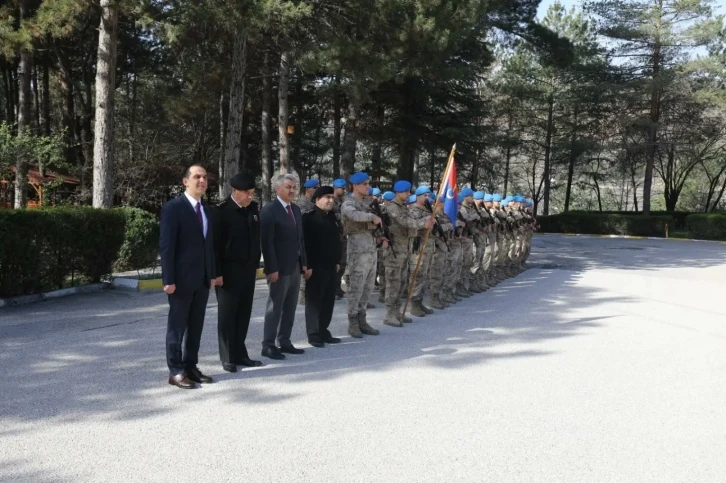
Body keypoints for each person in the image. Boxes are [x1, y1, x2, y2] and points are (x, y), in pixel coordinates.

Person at [159, 164, 216, 389]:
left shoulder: (207, 210)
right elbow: (166, 246)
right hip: (180, 280)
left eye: (204, 177)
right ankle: (175, 370)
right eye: (196, 177)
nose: (202, 180)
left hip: (202, 280)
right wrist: (168, 279)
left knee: (196, 326)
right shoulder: (174, 208)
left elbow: (209, 246)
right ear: (185, 181)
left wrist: (211, 274)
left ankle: (191, 366)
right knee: (177, 327)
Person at [212, 172, 262, 373]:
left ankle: (241, 353)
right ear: (234, 191)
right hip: (228, 272)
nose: (250, 196)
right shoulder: (222, 212)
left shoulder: (253, 210)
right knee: (227, 315)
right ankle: (227, 357)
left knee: (243, 314)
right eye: (246, 193)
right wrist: (217, 273)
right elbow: (215, 246)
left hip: (248, 271)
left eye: (252, 192)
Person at [259, 174, 310, 360]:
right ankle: (268, 345)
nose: (292, 190)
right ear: (277, 189)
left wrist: (304, 263)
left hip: (295, 266)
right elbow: (267, 243)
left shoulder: (295, 209)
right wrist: (271, 268)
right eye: (288, 187)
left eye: (294, 187)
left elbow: (300, 240)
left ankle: (285, 340)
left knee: (290, 306)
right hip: (278, 268)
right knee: (275, 307)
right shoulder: (269, 211)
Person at [341, 171, 385, 337]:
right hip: (357, 251)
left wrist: (380, 235)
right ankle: (353, 322)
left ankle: (362, 319)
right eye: (365, 184)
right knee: (356, 288)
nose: (368, 186)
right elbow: (351, 214)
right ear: (355, 186)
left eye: (368, 183)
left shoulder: (368, 202)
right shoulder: (349, 202)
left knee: (367, 288)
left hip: (371, 249)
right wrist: (371, 216)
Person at [302, 186, 342, 347]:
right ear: (317, 199)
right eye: (327, 197)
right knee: (314, 301)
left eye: (332, 197)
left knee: (328, 301)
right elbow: (305, 245)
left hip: (331, 265)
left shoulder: (332, 217)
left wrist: (337, 261)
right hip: (315, 267)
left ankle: (323, 330)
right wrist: (307, 265)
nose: (330, 200)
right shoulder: (309, 218)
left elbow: (336, 242)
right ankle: (313, 334)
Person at [332, 178, 348, 299]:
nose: (344, 190)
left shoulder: (344, 201)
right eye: (342, 188)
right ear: (335, 188)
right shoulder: (329, 201)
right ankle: (332, 288)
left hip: (343, 236)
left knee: (343, 262)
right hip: (334, 236)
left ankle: (337, 286)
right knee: (334, 263)